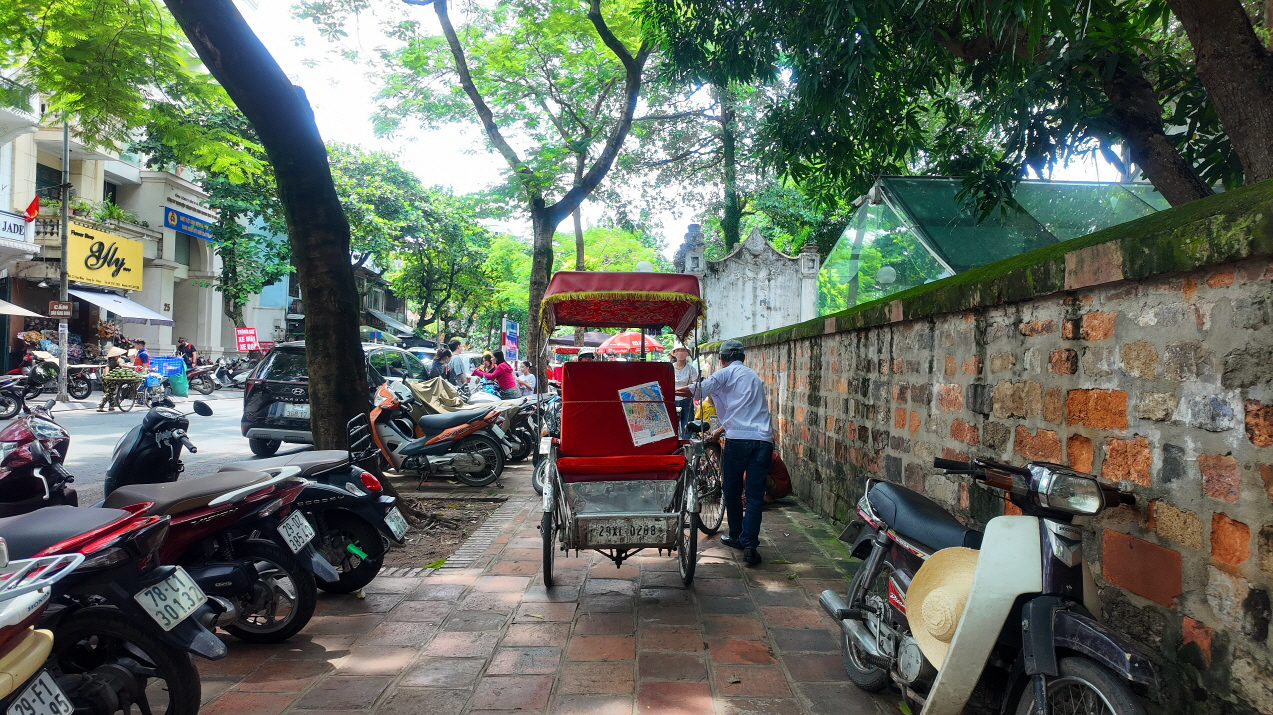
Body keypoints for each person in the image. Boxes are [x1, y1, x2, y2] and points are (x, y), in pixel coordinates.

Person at [676, 339, 772, 566]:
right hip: (763, 441)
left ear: (722, 359)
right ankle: (750, 544)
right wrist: (719, 431)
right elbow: (742, 410)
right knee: (755, 495)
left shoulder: (724, 374)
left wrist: (662, 389)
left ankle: (738, 535)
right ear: (743, 357)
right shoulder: (754, 377)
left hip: (738, 442)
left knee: (732, 489)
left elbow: (694, 390)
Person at [671, 343, 698, 437]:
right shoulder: (669, 368)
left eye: (683, 350)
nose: (681, 352)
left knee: (687, 428)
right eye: (678, 350)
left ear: (687, 353)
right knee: (671, 429)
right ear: (674, 353)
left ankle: (686, 448)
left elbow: (695, 385)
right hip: (671, 401)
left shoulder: (691, 369)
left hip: (687, 401)